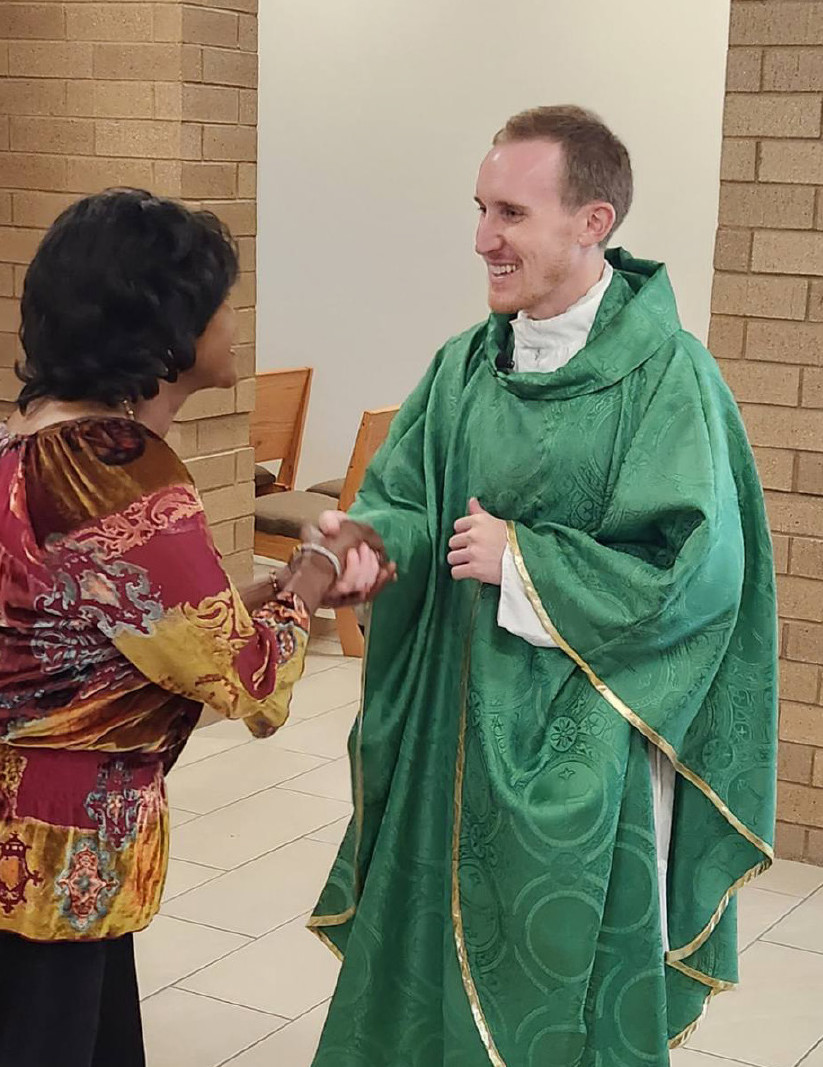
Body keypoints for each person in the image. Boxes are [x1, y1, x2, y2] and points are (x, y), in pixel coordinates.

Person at [309, 106, 778, 1065]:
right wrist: (364, 543)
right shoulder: (464, 364)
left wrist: (524, 559)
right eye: (480, 209)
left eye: (511, 214)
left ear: (591, 221)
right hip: (451, 719)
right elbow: (408, 495)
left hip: (584, 736)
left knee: (556, 975)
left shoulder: (666, 379)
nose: (483, 238)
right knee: (429, 939)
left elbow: (696, 570)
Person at [0, 188, 391, 1067]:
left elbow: (100, 623)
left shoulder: (26, 443)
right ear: (166, 324)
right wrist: (323, 561)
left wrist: (270, 589)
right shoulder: (118, 468)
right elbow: (251, 683)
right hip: (66, 838)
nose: (231, 318)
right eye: (219, 297)